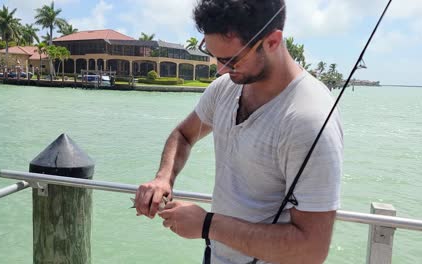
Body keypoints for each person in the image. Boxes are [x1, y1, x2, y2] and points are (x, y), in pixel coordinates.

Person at [134, 0, 343, 263]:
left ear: (272, 41)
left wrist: (207, 225)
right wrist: (163, 178)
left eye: (231, 60)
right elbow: (184, 135)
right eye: (214, 56)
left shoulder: (309, 120)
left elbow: (311, 250)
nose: (220, 69)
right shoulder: (224, 87)